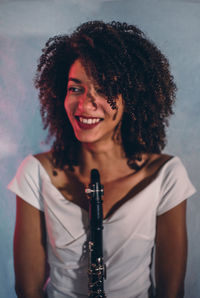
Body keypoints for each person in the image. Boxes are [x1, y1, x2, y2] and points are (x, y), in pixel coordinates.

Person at [8, 20, 196, 298]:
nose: (85, 104)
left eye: (105, 89)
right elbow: (28, 290)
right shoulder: (35, 172)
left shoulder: (166, 174)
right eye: (75, 88)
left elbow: (171, 292)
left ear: (131, 97)